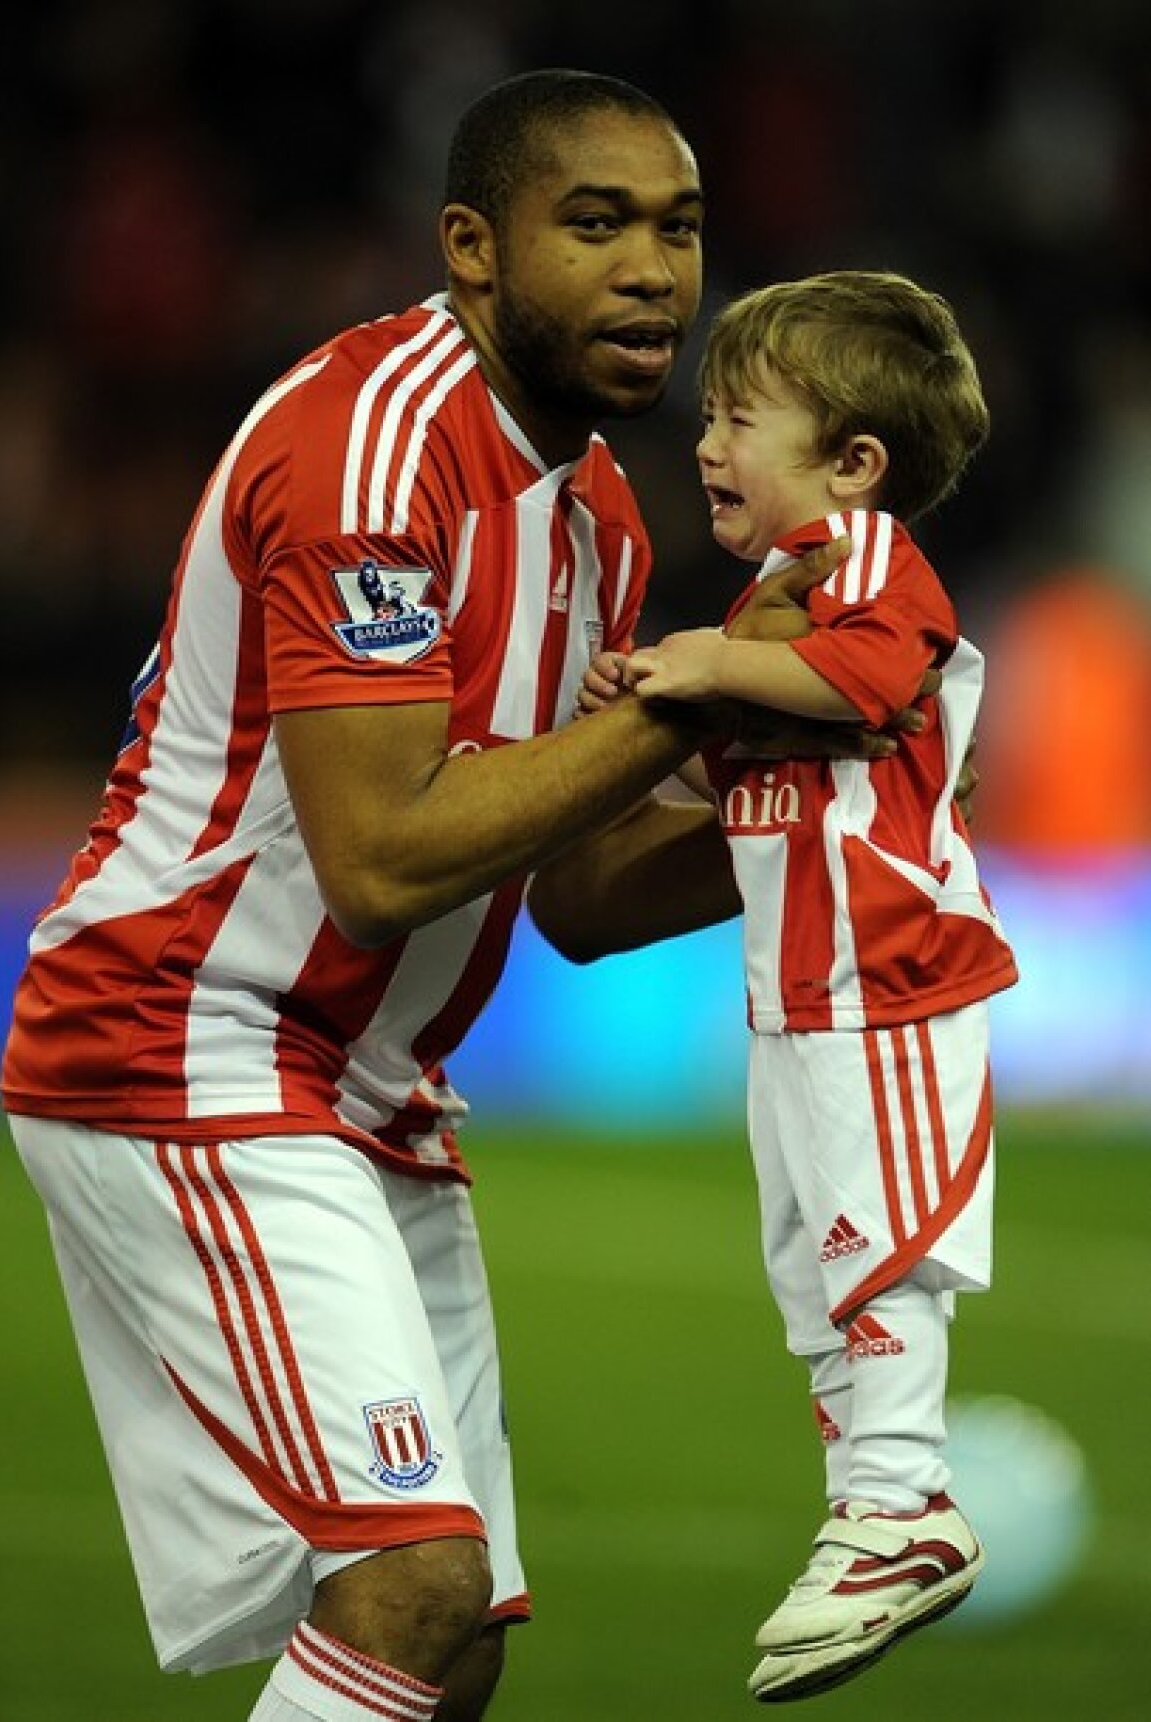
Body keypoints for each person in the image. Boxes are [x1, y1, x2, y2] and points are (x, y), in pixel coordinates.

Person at [0, 71, 911, 1722]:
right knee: (409, 1588)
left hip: (361, 1089)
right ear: (472, 249)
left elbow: (565, 891)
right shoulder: (375, 447)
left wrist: (823, 790)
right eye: (597, 223)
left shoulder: (598, 516)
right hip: (185, 1041)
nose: (654, 270)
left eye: (681, 228)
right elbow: (384, 858)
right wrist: (703, 696)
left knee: (456, 1630)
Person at [571, 269, 1019, 1703]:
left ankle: (903, 1506)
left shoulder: (861, 562)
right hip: (797, 992)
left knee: (877, 1242)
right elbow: (750, 766)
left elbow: (883, 679)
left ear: (853, 462)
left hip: (889, 971)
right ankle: (864, 1506)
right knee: (813, 1262)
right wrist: (665, 717)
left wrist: (707, 658)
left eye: (738, 414)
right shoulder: (775, 598)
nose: (706, 440)